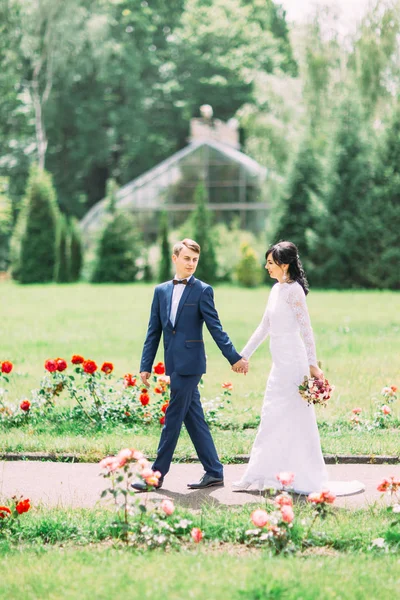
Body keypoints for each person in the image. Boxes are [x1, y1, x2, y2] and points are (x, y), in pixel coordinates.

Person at [232, 241, 364, 496]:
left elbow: (306, 330)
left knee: (293, 419)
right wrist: (243, 355)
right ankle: (259, 474)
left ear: (285, 264)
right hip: (278, 364)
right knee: (270, 416)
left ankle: (300, 476)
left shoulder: (295, 292)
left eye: (271, 263)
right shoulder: (275, 290)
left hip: (294, 364)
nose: (266, 267)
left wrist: (313, 365)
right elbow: (264, 327)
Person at [132, 238, 248, 492]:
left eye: (195, 259)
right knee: (194, 419)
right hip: (173, 363)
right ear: (175, 259)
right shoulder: (160, 291)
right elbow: (154, 330)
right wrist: (146, 364)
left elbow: (215, 327)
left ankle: (156, 476)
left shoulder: (203, 290)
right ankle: (214, 471)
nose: (191, 264)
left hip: (191, 365)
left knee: (172, 418)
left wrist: (234, 357)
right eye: (187, 259)